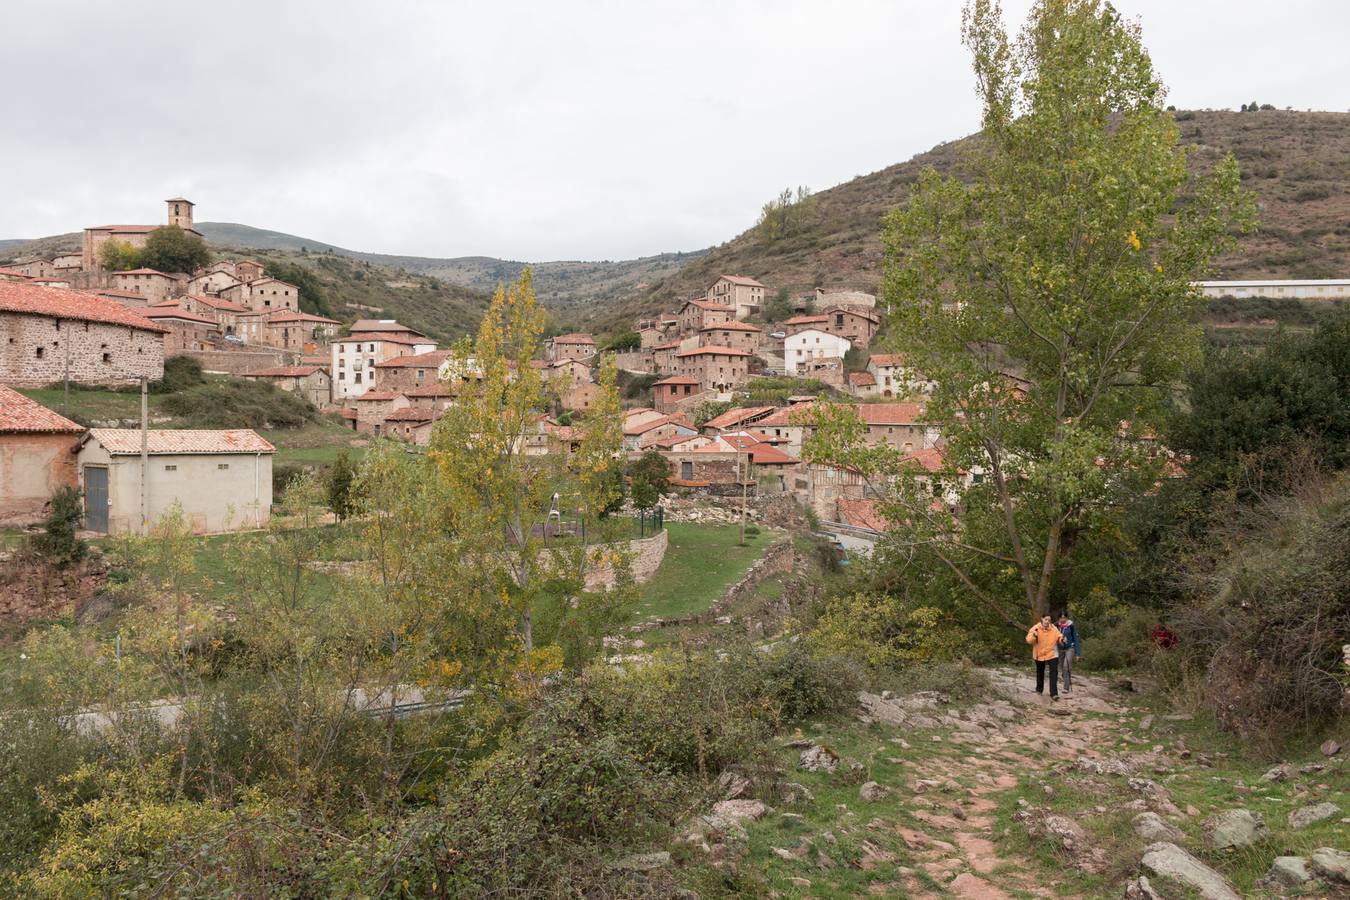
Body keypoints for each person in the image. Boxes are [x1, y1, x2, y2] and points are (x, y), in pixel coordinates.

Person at [1025, 614, 1065, 700]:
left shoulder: (1054, 629)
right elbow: (1028, 640)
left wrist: (1062, 639)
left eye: (1049, 620)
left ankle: (1054, 694)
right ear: (1042, 619)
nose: (1047, 621)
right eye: (1046, 619)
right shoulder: (1035, 628)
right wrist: (1034, 636)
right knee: (1040, 672)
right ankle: (1039, 690)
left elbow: (1059, 636)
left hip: (1052, 653)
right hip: (1039, 653)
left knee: (1054, 672)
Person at [1057, 612, 1081, 694]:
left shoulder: (1071, 626)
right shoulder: (1056, 626)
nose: (1063, 619)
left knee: (1066, 666)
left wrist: (1078, 653)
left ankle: (1066, 688)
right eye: (1061, 618)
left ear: (1067, 618)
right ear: (1059, 618)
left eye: (1064, 618)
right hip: (1060, 649)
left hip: (1070, 648)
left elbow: (1076, 639)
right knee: (1063, 669)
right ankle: (1066, 675)